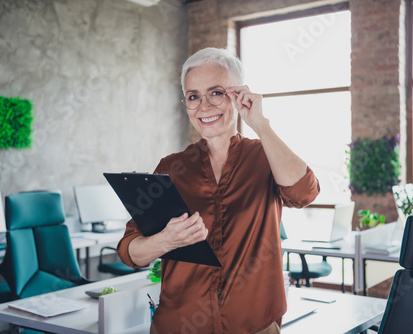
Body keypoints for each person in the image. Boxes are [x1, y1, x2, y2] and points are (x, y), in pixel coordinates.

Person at [116, 47, 320, 334]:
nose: (203, 107)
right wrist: (165, 241)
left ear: (238, 95)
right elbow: (129, 251)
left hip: (253, 326)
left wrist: (260, 124)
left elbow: (304, 193)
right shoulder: (172, 167)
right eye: (193, 96)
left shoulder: (265, 157)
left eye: (216, 93)